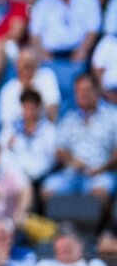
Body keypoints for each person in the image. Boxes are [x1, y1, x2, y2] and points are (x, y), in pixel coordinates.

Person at [41, 73, 117, 209]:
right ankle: (62, 228)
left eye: (87, 90)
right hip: (73, 173)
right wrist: (72, 160)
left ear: (97, 91)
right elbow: (59, 150)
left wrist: (101, 168)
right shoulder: (69, 118)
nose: (83, 95)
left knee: (100, 192)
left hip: (101, 172)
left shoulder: (112, 116)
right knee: (48, 189)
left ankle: (101, 229)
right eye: (79, 91)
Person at [30, 0, 101, 63]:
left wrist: (83, 49)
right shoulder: (42, 4)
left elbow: (92, 30)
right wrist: (42, 52)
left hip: (80, 52)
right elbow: (35, 34)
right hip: (50, 54)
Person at [0, 88, 57, 184]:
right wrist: (8, 144)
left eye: (32, 108)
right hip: (17, 174)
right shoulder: (11, 127)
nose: (29, 112)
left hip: (39, 174)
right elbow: (2, 150)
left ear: (38, 108)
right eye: (26, 107)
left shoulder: (48, 129)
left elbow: (51, 158)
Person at [0, 47, 59, 125]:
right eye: (22, 65)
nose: (25, 70)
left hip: (42, 128)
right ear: (16, 66)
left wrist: (34, 91)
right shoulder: (8, 89)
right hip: (17, 131)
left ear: (36, 65)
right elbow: (6, 122)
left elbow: (52, 116)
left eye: (29, 65)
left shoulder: (46, 77)